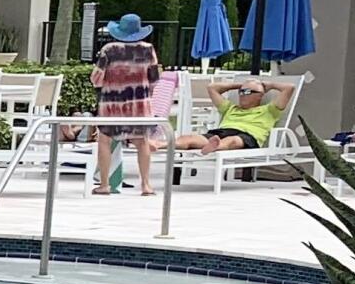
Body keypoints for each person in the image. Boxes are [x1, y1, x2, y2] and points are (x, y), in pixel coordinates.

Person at [89, 15, 164, 194]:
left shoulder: (109, 49)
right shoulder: (148, 50)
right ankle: (146, 185)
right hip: (139, 105)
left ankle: (105, 184)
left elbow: (96, 79)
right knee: (142, 142)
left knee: (105, 141)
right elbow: (154, 79)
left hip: (112, 105)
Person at [180, 77, 286, 155]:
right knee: (189, 138)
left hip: (248, 136)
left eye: (248, 91)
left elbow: (289, 88)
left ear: (260, 95)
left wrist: (271, 85)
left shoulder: (269, 110)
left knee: (232, 140)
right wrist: (240, 85)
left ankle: (216, 146)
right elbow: (211, 87)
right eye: (241, 91)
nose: (242, 94)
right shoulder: (230, 108)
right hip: (221, 133)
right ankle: (164, 144)